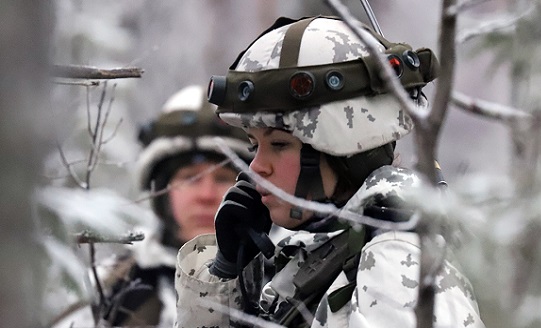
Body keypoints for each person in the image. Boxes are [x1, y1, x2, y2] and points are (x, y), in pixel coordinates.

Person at [175, 16, 485, 328]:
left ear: (343, 148)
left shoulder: (395, 261)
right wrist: (227, 270)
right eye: (255, 145)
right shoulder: (326, 254)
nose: (257, 167)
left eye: (280, 144)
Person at [101, 85, 254, 327]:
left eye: (223, 179)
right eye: (190, 178)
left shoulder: (287, 280)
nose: (206, 195)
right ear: (161, 192)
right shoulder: (113, 289)